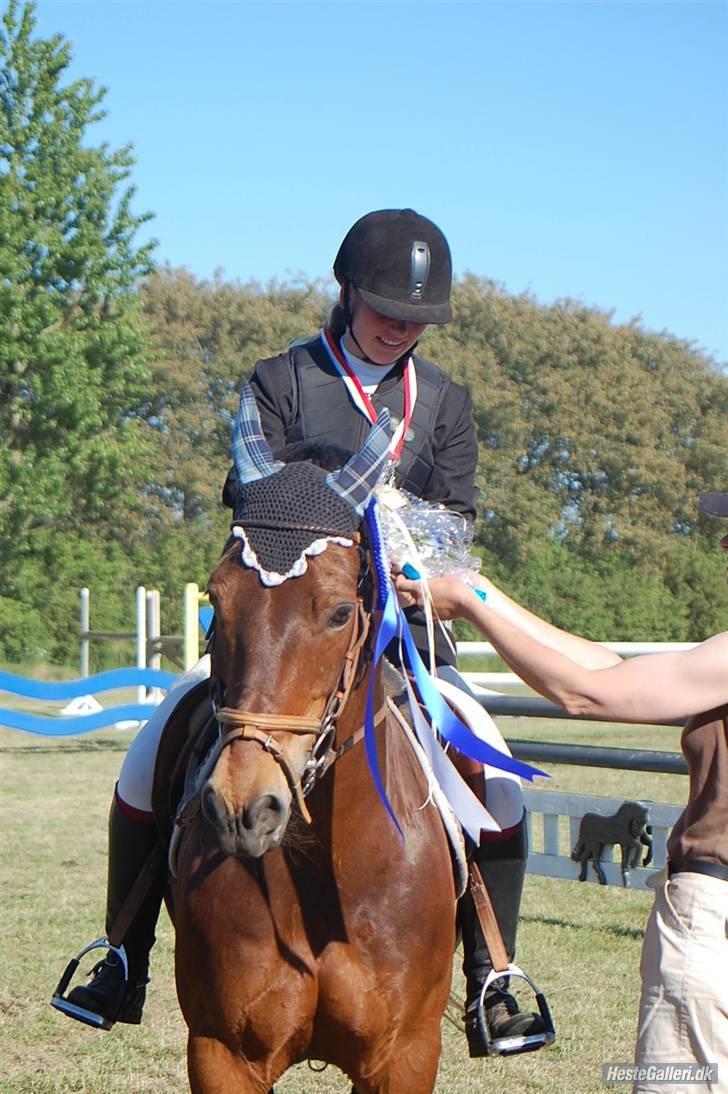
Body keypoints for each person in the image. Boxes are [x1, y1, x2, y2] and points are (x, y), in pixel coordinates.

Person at [54, 208, 545, 1056]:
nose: (401, 327)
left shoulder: (448, 406)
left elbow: (456, 520)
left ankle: (494, 972)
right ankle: (122, 952)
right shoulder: (279, 379)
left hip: (400, 632)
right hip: (281, 629)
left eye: (419, 318)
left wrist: (411, 567)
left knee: (496, 776)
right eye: (388, 307)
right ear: (346, 289)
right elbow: (249, 495)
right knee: (154, 748)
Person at [395, 491, 728, 1086]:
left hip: (713, 923)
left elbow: (587, 694)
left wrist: (472, 604)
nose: (725, 543)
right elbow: (609, 670)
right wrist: (482, 591)